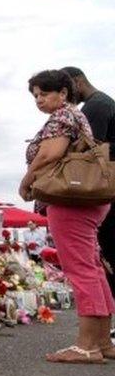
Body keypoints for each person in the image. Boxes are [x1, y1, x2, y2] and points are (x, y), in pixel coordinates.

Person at [20, 69, 115, 363]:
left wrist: (27, 180)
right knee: (93, 268)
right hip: (90, 200)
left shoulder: (62, 117)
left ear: (63, 93)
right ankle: (103, 341)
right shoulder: (76, 116)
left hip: (70, 199)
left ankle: (86, 346)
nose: (39, 99)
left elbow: (51, 153)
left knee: (80, 269)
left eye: (45, 93)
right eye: (35, 94)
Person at [59, 66, 115, 309]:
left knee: (103, 256)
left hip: (102, 186)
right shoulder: (102, 103)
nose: (67, 96)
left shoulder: (96, 106)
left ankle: (101, 332)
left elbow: (87, 148)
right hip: (107, 185)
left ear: (78, 82)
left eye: (67, 89)